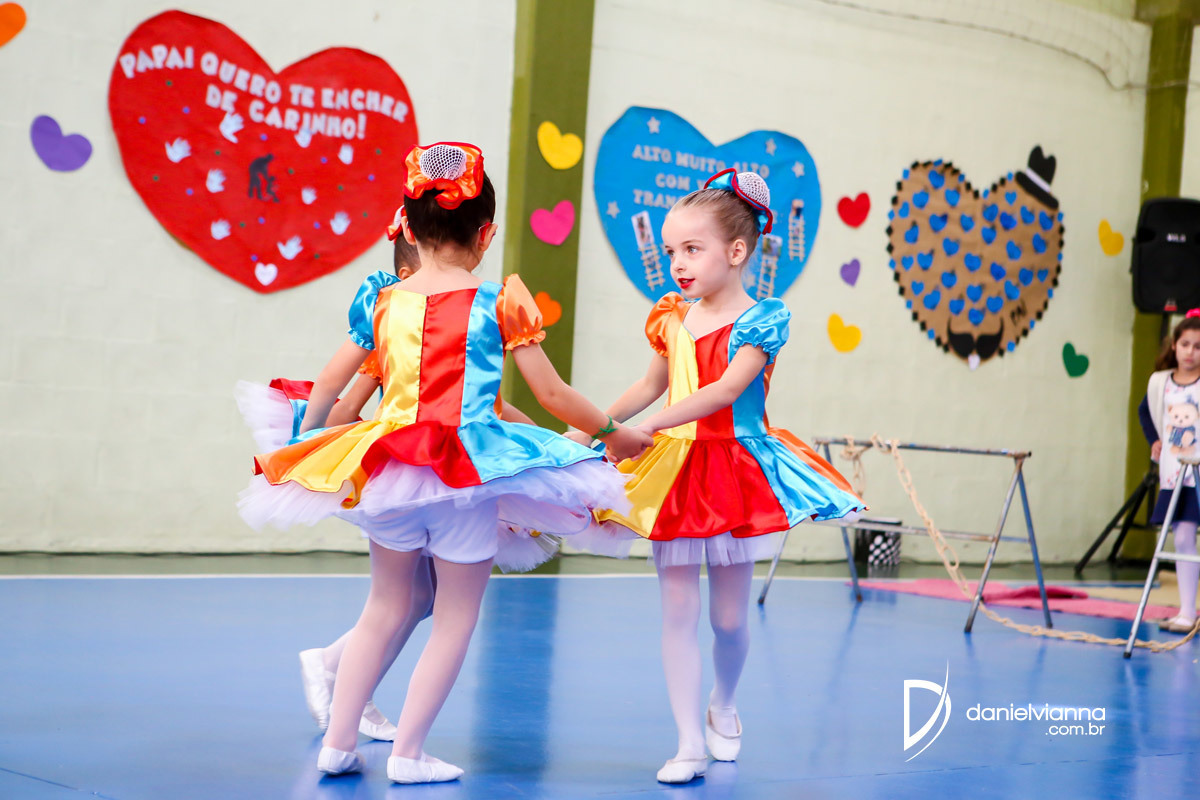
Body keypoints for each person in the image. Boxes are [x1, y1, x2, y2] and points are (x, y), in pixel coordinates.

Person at [239, 142, 649, 784]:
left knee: (383, 607)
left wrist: (310, 443)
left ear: (406, 227)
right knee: (454, 618)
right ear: (485, 234)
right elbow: (551, 394)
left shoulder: (382, 300)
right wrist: (611, 432)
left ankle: (338, 746)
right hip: (464, 480)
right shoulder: (501, 301)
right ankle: (408, 754)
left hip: (391, 473)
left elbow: (331, 383)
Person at [573, 169, 865, 783]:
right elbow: (649, 385)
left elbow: (727, 390)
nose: (677, 263)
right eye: (671, 251)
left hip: (735, 469)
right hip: (676, 471)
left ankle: (723, 701)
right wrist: (595, 428)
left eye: (692, 248)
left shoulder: (762, 319)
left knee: (729, 620)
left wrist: (648, 426)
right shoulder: (670, 317)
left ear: (736, 252)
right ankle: (687, 742)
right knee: (677, 611)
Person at [1138, 309, 1200, 634]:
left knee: (1186, 538)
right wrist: (1154, 441)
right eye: (1185, 344)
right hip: (1176, 475)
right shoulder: (1160, 382)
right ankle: (1187, 612)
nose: (1190, 352)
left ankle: (1189, 611)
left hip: (1198, 472)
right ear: (1174, 345)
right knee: (1183, 538)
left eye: (1198, 347)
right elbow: (1145, 412)